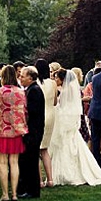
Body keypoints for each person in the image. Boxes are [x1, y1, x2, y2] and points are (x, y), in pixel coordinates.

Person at [49, 68, 101, 186]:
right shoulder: (71, 89)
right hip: (71, 122)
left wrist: (54, 110)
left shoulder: (65, 91)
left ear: (62, 79)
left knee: (67, 147)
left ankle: (68, 173)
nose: (55, 80)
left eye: (56, 77)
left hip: (66, 122)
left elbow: (63, 108)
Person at [0, 65, 27, 201]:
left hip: (1, 131)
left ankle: (5, 194)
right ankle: (15, 194)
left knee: (2, 163)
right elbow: (24, 111)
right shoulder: (21, 92)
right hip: (16, 131)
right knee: (14, 162)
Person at [17, 65, 45, 199]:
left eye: (22, 76)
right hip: (33, 130)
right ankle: (27, 188)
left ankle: (32, 191)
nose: (20, 78)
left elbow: (31, 112)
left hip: (33, 131)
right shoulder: (31, 89)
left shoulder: (34, 91)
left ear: (30, 77)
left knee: (31, 161)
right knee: (28, 160)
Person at [35, 58, 57, 188]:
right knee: (45, 150)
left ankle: (39, 181)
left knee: (37, 150)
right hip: (51, 114)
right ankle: (50, 179)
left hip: (40, 115)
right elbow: (55, 101)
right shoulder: (53, 83)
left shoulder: (36, 83)